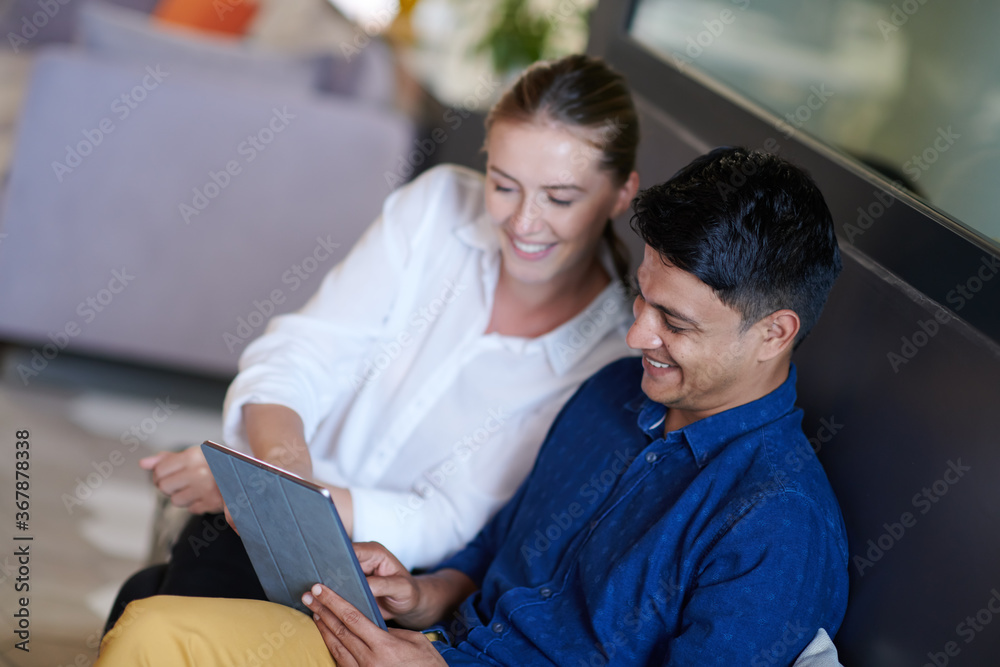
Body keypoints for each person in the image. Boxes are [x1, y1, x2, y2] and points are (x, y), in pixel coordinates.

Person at [99, 146, 849, 666]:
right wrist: (420, 592)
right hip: (431, 645)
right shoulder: (615, 395)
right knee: (155, 627)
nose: (636, 333)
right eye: (644, 300)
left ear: (773, 334)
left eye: (674, 323)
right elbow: (496, 550)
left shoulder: (777, 524)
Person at [104, 54, 642, 629]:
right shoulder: (436, 208)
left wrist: (264, 496)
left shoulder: (608, 359)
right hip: (262, 518)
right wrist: (277, 478)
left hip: (389, 582)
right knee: (161, 613)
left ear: (620, 194)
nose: (525, 222)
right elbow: (303, 352)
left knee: (169, 620)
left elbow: (450, 517)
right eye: (504, 186)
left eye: (559, 198)